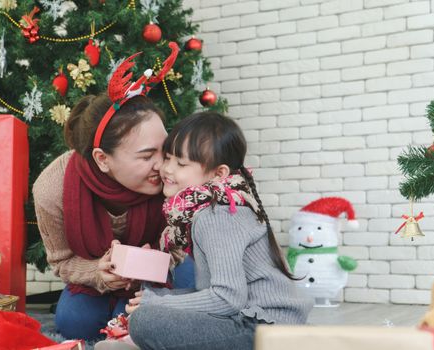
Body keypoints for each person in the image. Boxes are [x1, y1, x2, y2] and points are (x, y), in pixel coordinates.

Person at [32, 43, 194, 341]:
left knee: (185, 285)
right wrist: (99, 272)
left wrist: (157, 263)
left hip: (163, 273)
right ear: (102, 159)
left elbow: (189, 247)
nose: (163, 165)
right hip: (99, 283)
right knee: (74, 322)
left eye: (165, 149)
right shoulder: (52, 188)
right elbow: (62, 261)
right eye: (147, 156)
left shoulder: (175, 172)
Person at [122, 112, 313, 349]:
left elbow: (226, 298)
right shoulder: (213, 207)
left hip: (265, 329)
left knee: (145, 321)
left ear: (218, 174)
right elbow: (215, 293)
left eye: (181, 163)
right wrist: (161, 299)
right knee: (151, 311)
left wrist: (157, 304)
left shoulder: (216, 216)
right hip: (253, 320)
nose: (166, 169)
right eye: (168, 157)